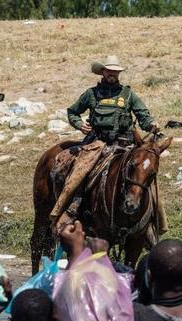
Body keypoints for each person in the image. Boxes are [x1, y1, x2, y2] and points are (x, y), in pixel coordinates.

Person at [50, 55, 161, 230]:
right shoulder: (91, 94)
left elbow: (143, 117)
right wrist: (80, 125)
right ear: (103, 72)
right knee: (81, 171)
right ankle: (72, 207)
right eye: (109, 71)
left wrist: (151, 124)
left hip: (125, 145)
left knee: (144, 175)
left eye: (116, 72)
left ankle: (152, 221)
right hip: (97, 144)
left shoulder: (128, 94)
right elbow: (72, 111)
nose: (112, 74)